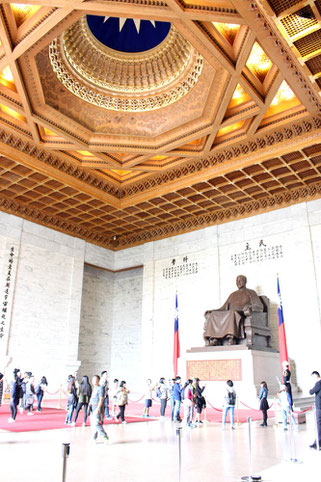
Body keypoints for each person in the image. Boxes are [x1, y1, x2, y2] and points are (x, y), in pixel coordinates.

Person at [204, 275, 263, 345]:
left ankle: (231, 338)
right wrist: (213, 310)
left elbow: (259, 306)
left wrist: (250, 307)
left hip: (241, 313)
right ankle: (214, 339)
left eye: (240, 281)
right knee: (213, 314)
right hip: (231, 313)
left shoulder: (251, 292)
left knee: (232, 312)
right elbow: (224, 307)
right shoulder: (232, 294)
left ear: (245, 282)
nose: (238, 283)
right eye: (237, 281)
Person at [89, 375, 109, 444]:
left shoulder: (100, 388)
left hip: (97, 408)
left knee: (96, 423)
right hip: (92, 408)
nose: (94, 381)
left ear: (98, 380)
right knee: (93, 424)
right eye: (93, 380)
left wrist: (98, 408)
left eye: (96, 380)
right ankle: (94, 438)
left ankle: (105, 436)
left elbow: (101, 399)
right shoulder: (95, 388)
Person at [309, 371, 321, 449]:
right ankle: (316, 442)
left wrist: (311, 389)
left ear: (316, 376)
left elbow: (311, 392)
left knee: (318, 425)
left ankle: (318, 443)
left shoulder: (318, 383)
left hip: (319, 407)